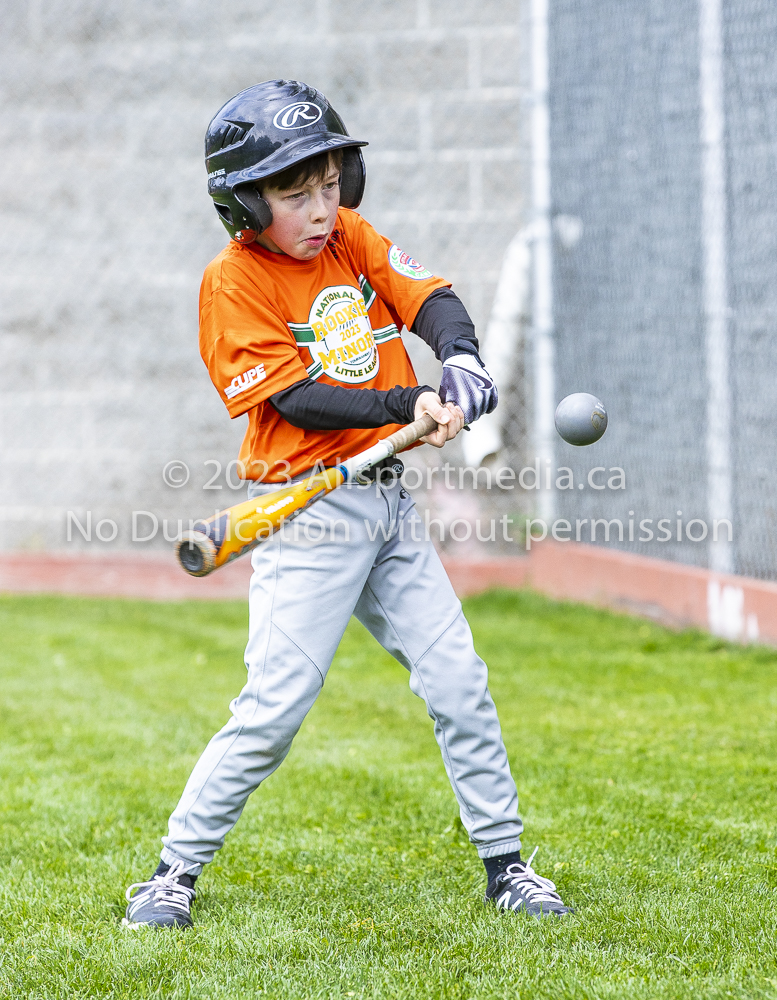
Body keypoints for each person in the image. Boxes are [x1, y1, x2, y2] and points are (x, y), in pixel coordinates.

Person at [122, 79, 572, 929]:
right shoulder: (233, 284)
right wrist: (407, 407)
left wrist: (462, 362)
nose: (322, 208)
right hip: (307, 516)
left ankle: (507, 865)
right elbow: (298, 399)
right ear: (247, 206)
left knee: (459, 683)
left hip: (391, 508)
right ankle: (172, 874)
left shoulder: (350, 239)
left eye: (331, 186)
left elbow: (427, 298)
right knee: (273, 710)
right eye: (296, 196)